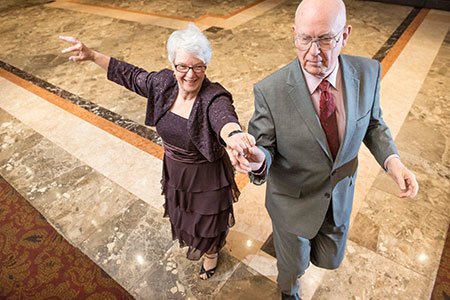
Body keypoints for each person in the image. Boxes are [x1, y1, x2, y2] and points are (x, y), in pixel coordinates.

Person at [228, 0, 419, 298]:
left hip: (338, 197)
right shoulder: (271, 91)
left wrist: (392, 161)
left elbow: (372, 123)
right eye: (305, 39)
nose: (313, 52)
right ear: (294, 34)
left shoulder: (368, 73)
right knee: (293, 266)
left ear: (345, 35)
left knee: (329, 258)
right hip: (292, 204)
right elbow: (263, 147)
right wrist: (257, 161)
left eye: (325, 39)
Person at [59, 24, 255, 280]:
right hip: (175, 169)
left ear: (205, 66)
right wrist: (93, 55)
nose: (190, 74)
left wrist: (233, 135)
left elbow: (224, 117)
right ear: (173, 66)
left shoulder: (213, 96)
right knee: (183, 213)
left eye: (198, 66)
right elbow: (129, 75)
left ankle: (211, 254)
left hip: (206, 175)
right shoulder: (163, 83)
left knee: (208, 222)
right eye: (182, 66)